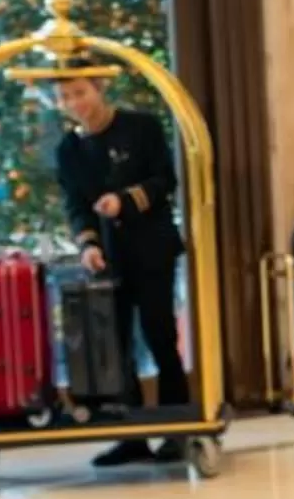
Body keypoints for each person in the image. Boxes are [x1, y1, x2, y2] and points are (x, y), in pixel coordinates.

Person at [52, 71, 191, 467]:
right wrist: (88, 245)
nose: (74, 103)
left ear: (99, 88)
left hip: (151, 249)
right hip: (109, 257)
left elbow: (165, 179)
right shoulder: (69, 149)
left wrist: (124, 201)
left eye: (79, 93)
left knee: (160, 336)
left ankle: (175, 429)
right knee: (116, 347)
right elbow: (76, 205)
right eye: (64, 97)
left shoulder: (140, 126)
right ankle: (130, 435)